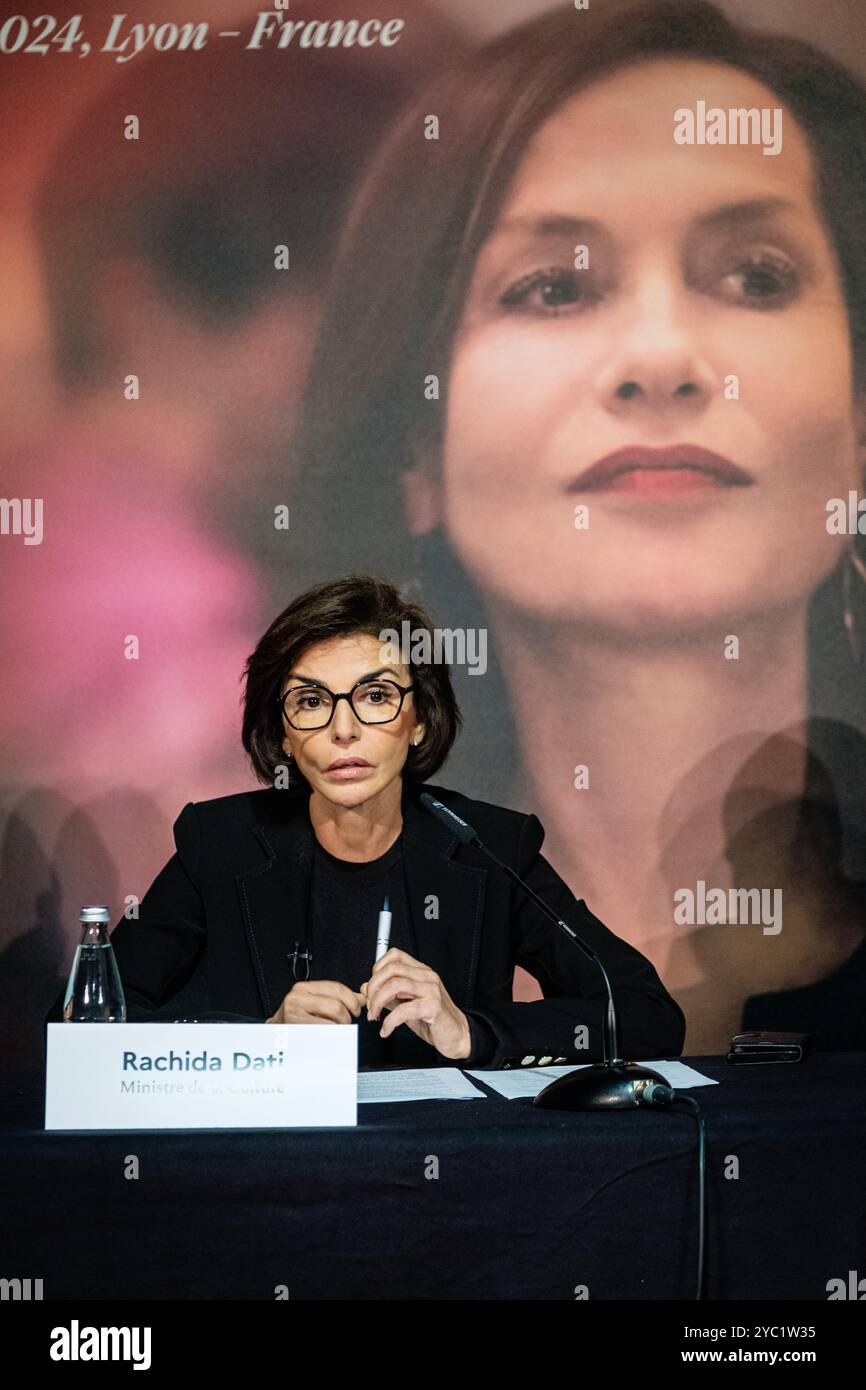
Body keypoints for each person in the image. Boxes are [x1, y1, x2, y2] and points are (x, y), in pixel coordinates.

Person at [287, 0, 866, 1052]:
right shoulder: (290, 942)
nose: (658, 356)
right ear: (418, 452)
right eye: (551, 287)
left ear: (860, 425)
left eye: (754, 276)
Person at [47, 575, 685, 1070]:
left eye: (377, 697)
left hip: (451, 1174)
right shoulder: (223, 845)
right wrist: (257, 1041)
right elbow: (81, 1032)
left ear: (421, 721)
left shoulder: (487, 847)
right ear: (283, 736)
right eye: (311, 702)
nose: (343, 728)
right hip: (269, 1165)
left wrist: (472, 1031)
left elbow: (646, 1013)